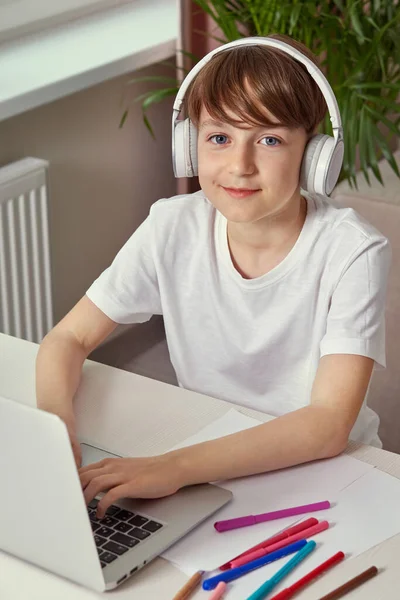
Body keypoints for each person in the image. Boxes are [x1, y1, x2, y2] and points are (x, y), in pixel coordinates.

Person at [36, 34, 391, 519]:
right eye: (219, 138)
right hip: (209, 448)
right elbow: (68, 337)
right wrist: (56, 430)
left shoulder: (353, 250)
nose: (239, 166)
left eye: (269, 140)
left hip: (327, 471)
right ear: (190, 146)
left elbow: (327, 425)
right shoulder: (172, 225)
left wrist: (175, 468)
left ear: (314, 157)